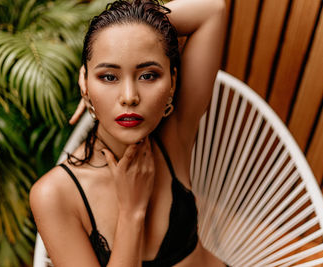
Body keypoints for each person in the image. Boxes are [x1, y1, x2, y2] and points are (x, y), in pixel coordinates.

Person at [30, 0, 226, 266]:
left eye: (148, 75)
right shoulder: (55, 196)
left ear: (172, 83)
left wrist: (144, 29)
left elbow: (212, 9)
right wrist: (132, 211)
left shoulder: (173, 134)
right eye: (109, 77)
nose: (129, 97)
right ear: (84, 83)